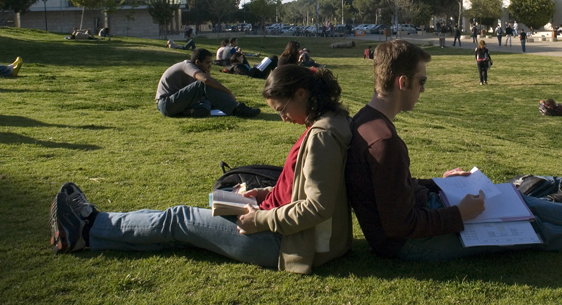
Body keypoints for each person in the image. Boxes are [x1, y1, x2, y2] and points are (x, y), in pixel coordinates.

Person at [345, 40, 562, 263]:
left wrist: (439, 184)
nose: (424, 89)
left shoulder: (368, 121)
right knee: (527, 227)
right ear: (402, 82)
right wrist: (460, 214)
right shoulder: (383, 140)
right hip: (411, 244)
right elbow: (400, 225)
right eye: (421, 82)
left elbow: (392, 188)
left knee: (516, 199)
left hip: (420, 215)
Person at [49, 65, 353, 275]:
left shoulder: (322, 136)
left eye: (282, 109)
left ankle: (89, 226)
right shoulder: (328, 123)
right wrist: (265, 193)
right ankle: (89, 232)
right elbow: (306, 186)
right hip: (284, 230)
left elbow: (317, 206)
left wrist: (260, 218)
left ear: (301, 93)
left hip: (285, 243)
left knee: (179, 218)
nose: (283, 119)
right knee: (186, 225)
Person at [155, 48, 261, 118]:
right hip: (166, 104)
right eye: (207, 63)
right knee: (203, 84)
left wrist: (208, 76)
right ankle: (237, 109)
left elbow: (204, 91)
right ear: (197, 62)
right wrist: (228, 92)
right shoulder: (187, 65)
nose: (209, 66)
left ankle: (187, 112)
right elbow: (206, 81)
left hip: (178, 102)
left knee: (205, 107)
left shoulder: (194, 71)